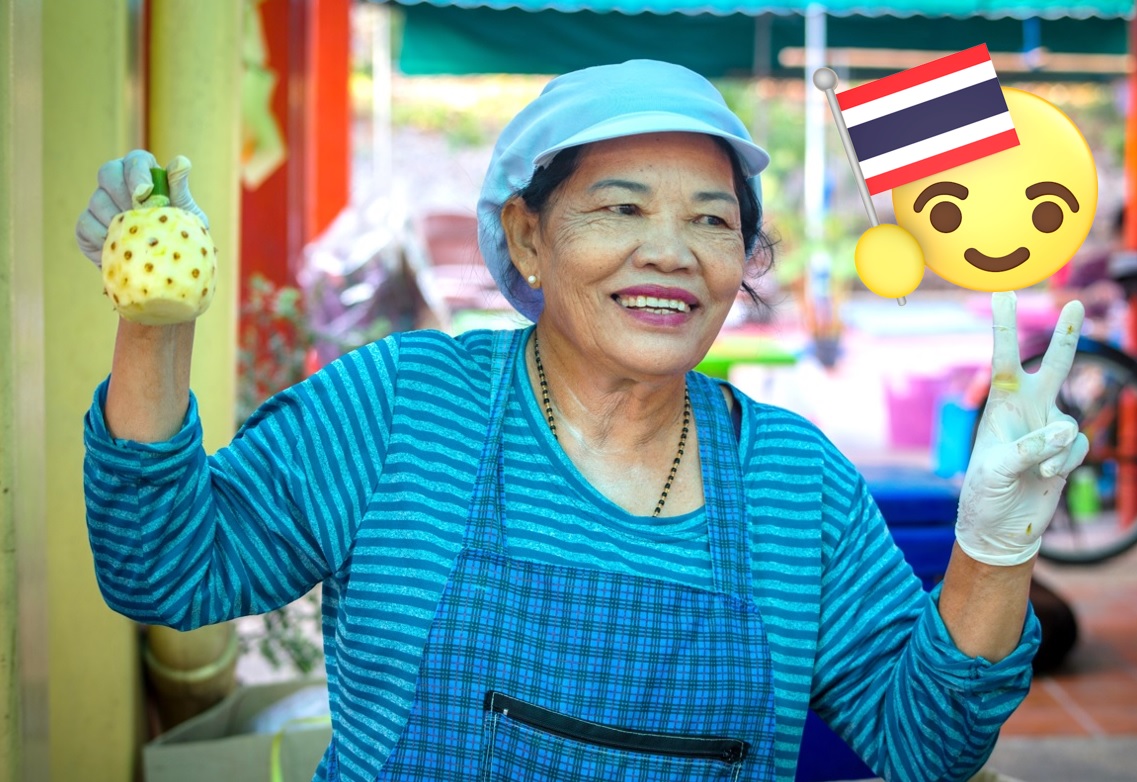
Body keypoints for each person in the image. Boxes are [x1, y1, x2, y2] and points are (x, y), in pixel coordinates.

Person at [77, 60, 1088, 782]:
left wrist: (995, 545)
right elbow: (162, 567)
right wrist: (155, 328)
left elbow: (927, 746)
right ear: (525, 235)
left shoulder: (795, 482)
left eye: (711, 218)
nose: (672, 251)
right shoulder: (402, 407)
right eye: (620, 207)